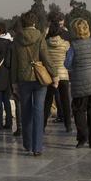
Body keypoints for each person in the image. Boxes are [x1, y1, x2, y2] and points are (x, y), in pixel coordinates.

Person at [11, 11, 58, 156]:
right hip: (39, 79)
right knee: (38, 111)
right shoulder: (40, 37)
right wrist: (54, 74)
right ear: (34, 23)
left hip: (23, 79)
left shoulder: (17, 39)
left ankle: (27, 143)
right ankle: (37, 147)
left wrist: (13, 82)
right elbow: (46, 57)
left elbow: (14, 62)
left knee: (26, 111)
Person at [65, 18, 91, 148]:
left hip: (80, 83)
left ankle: (83, 137)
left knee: (79, 110)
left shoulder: (73, 46)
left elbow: (68, 64)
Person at [43, 19, 72, 133]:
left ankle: (43, 125)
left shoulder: (45, 44)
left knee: (48, 100)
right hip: (63, 74)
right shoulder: (66, 44)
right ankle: (68, 125)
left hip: (50, 75)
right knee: (65, 100)